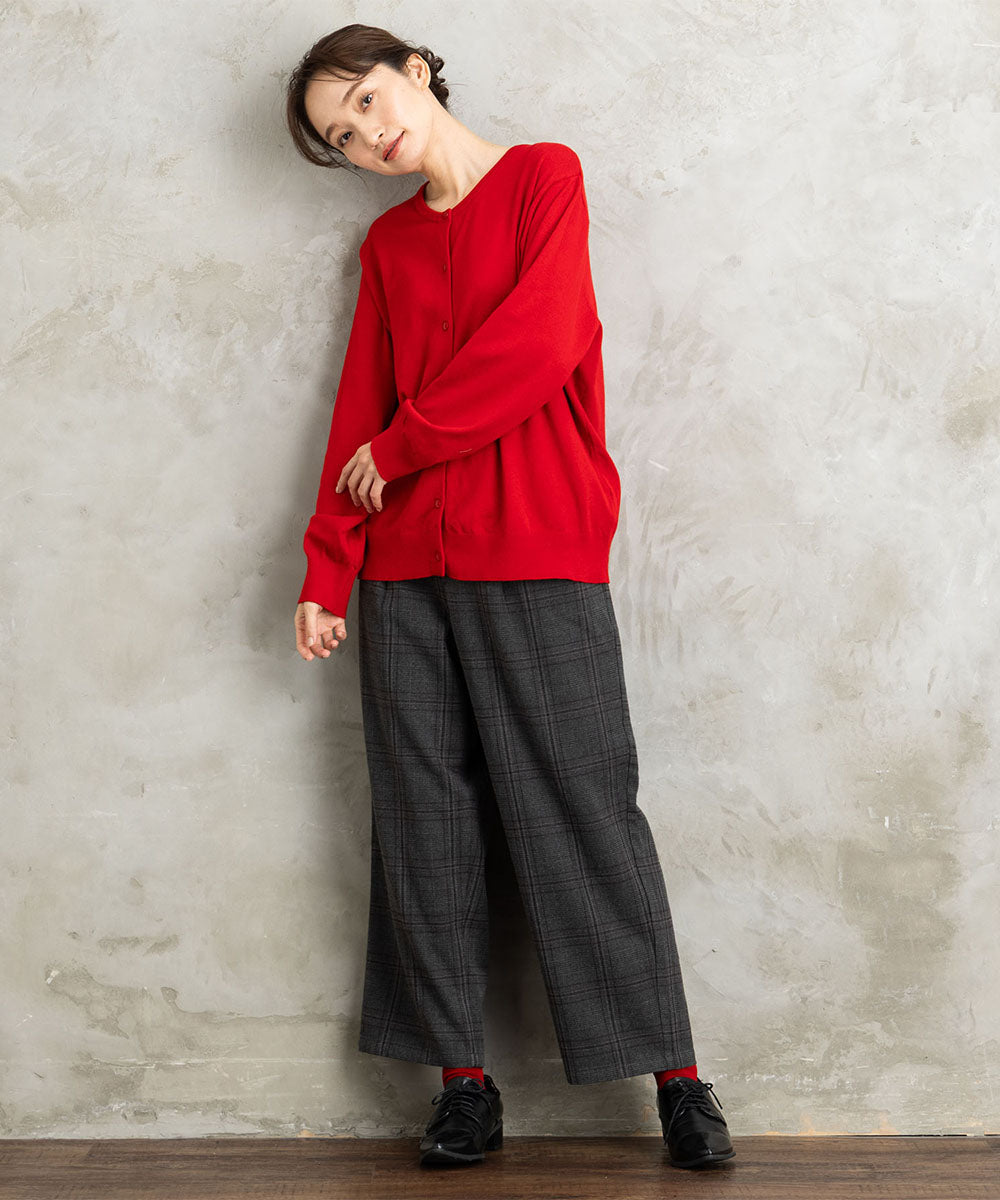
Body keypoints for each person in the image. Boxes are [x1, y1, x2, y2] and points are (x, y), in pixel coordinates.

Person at [284, 23, 735, 1171]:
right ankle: (462, 1087)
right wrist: (328, 566)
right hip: (403, 573)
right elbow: (359, 408)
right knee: (422, 822)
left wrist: (408, 444)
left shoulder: (542, 177)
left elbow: (544, 339)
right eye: (343, 137)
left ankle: (676, 1081)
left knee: (584, 805)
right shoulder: (389, 246)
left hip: (534, 544)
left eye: (366, 101)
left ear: (414, 72)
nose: (368, 136)